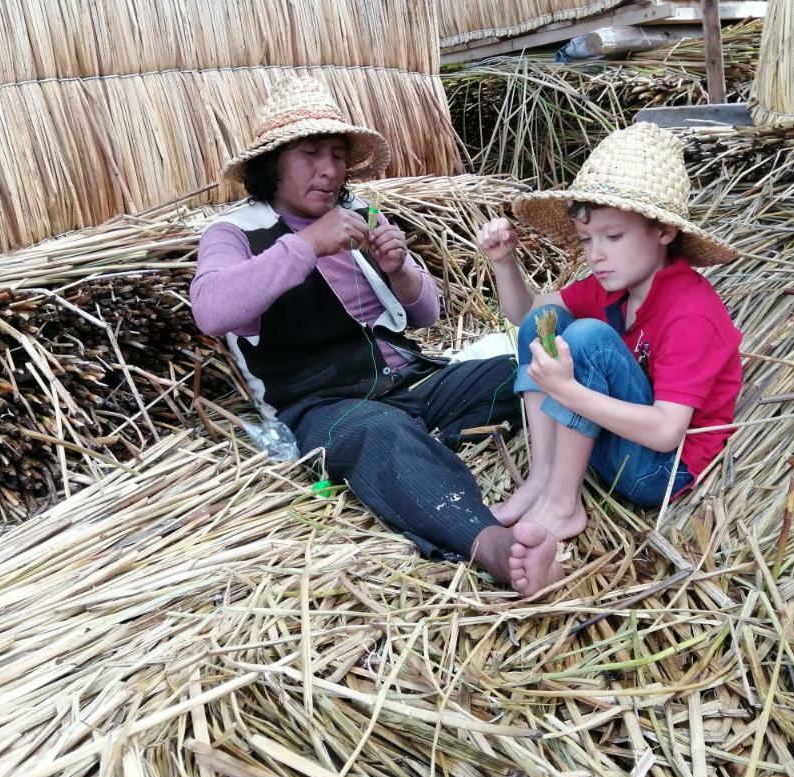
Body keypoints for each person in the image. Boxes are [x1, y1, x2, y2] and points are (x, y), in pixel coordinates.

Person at [191, 75, 561, 595]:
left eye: (338, 155)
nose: (329, 170)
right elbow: (211, 310)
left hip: (408, 383)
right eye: (310, 154)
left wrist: (400, 270)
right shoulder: (235, 233)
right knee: (379, 433)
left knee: (519, 373)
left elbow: (426, 314)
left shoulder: (360, 215)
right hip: (323, 407)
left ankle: (434, 453)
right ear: (272, 164)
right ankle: (492, 547)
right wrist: (306, 245)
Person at [475, 123, 743, 591]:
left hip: (657, 470)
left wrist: (570, 392)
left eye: (613, 237)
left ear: (662, 230)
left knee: (588, 337)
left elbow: (665, 432)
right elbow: (525, 317)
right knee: (550, 325)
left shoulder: (690, 311)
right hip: (610, 440)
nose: (596, 255)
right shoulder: (610, 287)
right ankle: (543, 477)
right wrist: (503, 263)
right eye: (586, 240)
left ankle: (563, 504)